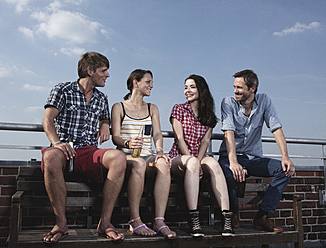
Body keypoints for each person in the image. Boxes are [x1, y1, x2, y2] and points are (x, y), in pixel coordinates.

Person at [41, 52, 126, 244]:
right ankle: (61, 224)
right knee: (51, 157)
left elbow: (104, 117)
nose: (108, 75)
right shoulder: (62, 90)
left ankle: (105, 223)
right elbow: (47, 119)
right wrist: (57, 143)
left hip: (88, 150)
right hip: (64, 147)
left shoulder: (102, 98)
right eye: (104, 71)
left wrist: (105, 124)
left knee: (119, 158)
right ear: (90, 71)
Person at [218, 69, 295, 233]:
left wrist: (285, 157)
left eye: (239, 87)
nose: (235, 91)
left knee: (284, 170)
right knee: (230, 174)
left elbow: (276, 128)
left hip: (252, 158)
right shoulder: (228, 102)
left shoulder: (264, 100)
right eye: (234, 87)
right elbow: (228, 132)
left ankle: (262, 216)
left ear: (252, 88)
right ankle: (233, 213)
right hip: (229, 157)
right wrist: (233, 162)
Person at [111, 69, 177, 239]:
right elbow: (116, 137)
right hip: (126, 158)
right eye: (148, 82)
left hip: (147, 156)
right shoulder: (119, 107)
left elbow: (157, 134)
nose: (151, 86)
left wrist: (160, 151)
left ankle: (159, 221)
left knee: (163, 163)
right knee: (138, 163)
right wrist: (128, 143)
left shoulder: (152, 108)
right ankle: (134, 220)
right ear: (135, 82)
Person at [169, 74, 234, 237]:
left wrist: (198, 161)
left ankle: (226, 217)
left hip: (198, 156)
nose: (187, 90)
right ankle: (193, 217)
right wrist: (194, 162)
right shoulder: (179, 109)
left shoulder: (209, 115)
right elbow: (180, 138)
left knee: (213, 163)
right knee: (192, 163)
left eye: (191, 87)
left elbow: (205, 142)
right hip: (179, 156)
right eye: (185, 87)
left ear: (201, 89)